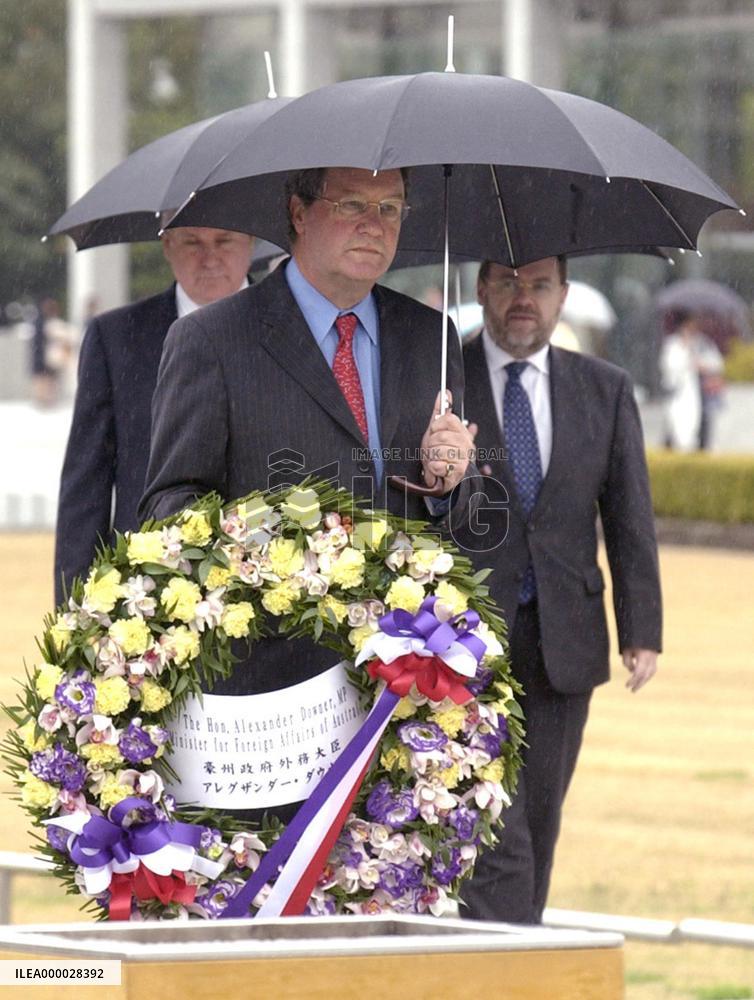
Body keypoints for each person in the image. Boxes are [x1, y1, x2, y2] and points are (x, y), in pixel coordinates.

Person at [139, 166, 478, 704]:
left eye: (389, 208)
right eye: (352, 206)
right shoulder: (213, 339)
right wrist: (278, 558)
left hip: (404, 689)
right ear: (298, 212)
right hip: (269, 688)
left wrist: (451, 482)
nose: (374, 224)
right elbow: (168, 506)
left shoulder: (432, 338)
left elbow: (457, 520)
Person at [457, 256, 662, 925]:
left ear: (563, 296)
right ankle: (499, 960)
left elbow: (629, 517)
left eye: (540, 285)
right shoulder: (438, 380)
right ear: (482, 287)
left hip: (564, 641)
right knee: (494, 824)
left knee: (539, 821)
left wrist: (641, 631)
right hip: (457, 644)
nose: (524, 299)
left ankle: (518, 950)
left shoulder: (604, 388)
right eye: (509, 282)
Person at [54, 226, 256, 604]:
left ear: (252, 240)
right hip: (148, 600)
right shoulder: (116, 338)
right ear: (166, 244)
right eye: (192, 242)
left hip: (277, 595)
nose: (209, 257)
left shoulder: (301, 330)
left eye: (224, 240)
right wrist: (75, 617)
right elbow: (86, 490)